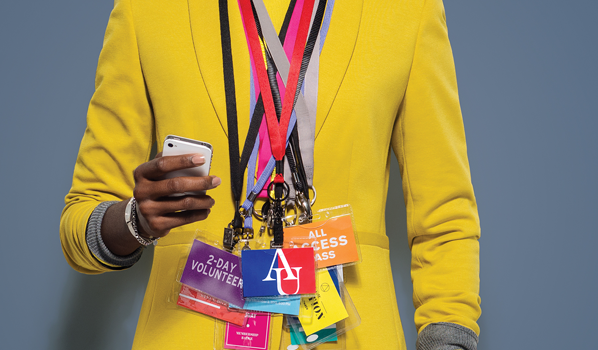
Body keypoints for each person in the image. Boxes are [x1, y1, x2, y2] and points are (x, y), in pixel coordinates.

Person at [60, 0, 481, 349]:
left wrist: (447, 337)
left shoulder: (408, 11)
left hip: (350, 332)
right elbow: (79, 224)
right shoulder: (146, 10)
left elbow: (444, 210)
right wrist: (135, 220)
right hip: (186, 327)